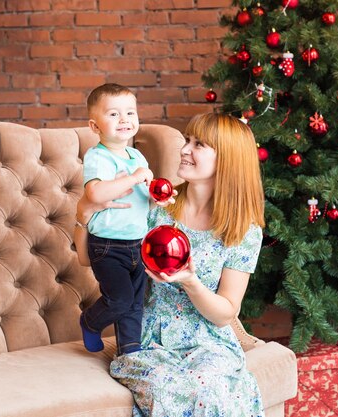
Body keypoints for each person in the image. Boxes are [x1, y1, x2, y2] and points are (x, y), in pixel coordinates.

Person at [75, 113, 266, 416]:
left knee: (211, 385)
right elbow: (88, 258)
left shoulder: (243, 231)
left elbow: (226, 312)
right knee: (167, 386)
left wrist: (191, 282)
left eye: (198, 144)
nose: (184, 150)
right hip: (146, 339)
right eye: (186, 140)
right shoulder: (155, 208)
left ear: (227, 161)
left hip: (209, 343)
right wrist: (84, 212)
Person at [77, 83, 154, 355]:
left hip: (138, 244)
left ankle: (130, 351)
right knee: (120, 300)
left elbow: (142, 198)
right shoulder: (98, 157)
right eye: (113, 114)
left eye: (130, 113)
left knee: (135, 303)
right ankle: (89, 321)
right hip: (108, 246)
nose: (124, 120)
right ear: (95, 126)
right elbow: (95, 193)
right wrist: (134, 177)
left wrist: (157, 196)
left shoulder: (137, 156)